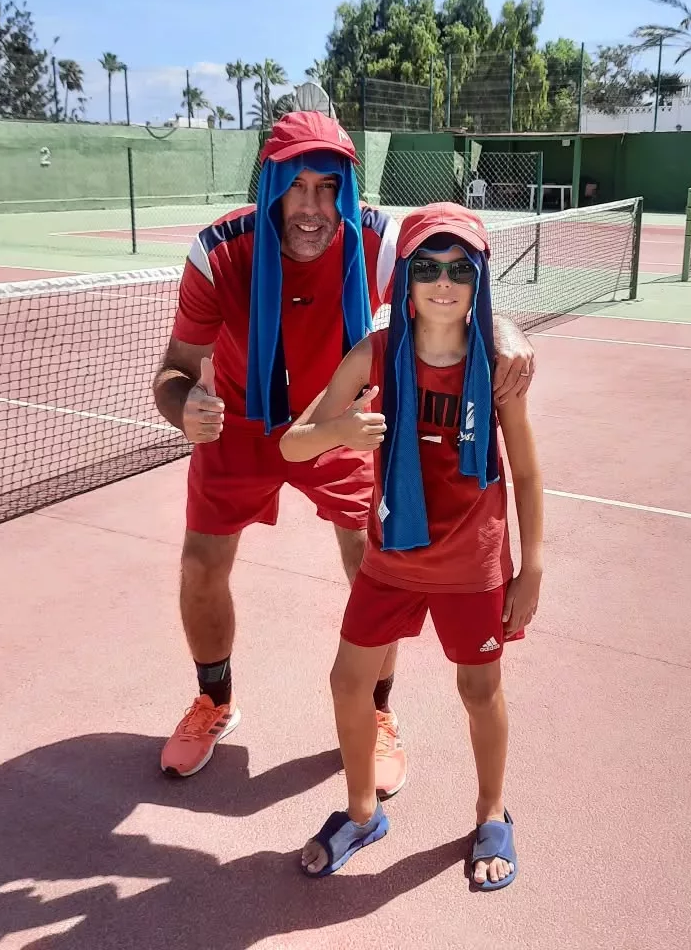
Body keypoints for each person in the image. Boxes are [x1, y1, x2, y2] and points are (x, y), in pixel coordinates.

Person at [151, 112, 537, 793]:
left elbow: (450, 272)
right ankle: (214, 700)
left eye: (326, 188)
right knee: (200, 564)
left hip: (342, 422)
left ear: (346, 191)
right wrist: (185, 408)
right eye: (296, 187)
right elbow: (174, 370)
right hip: (236, 426)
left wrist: (503, 327)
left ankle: (379, 712)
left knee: (372, 562)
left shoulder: (376, 240)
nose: (311, 206)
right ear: (271, 187)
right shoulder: (219, 252)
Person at [280, 201, 544, 890]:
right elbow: (293, 444)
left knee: (479, 689)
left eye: (459, 268)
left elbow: (525, 471)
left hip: (472, 563)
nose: (443, 282)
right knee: (348, 682)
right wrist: (340, 432)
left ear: (478, 278)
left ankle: (491, 812)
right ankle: (361, 812)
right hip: (392, 556)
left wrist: (533, 567)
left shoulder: (497, 365)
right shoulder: (374, 355)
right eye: (427, 267)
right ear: (404, 279)